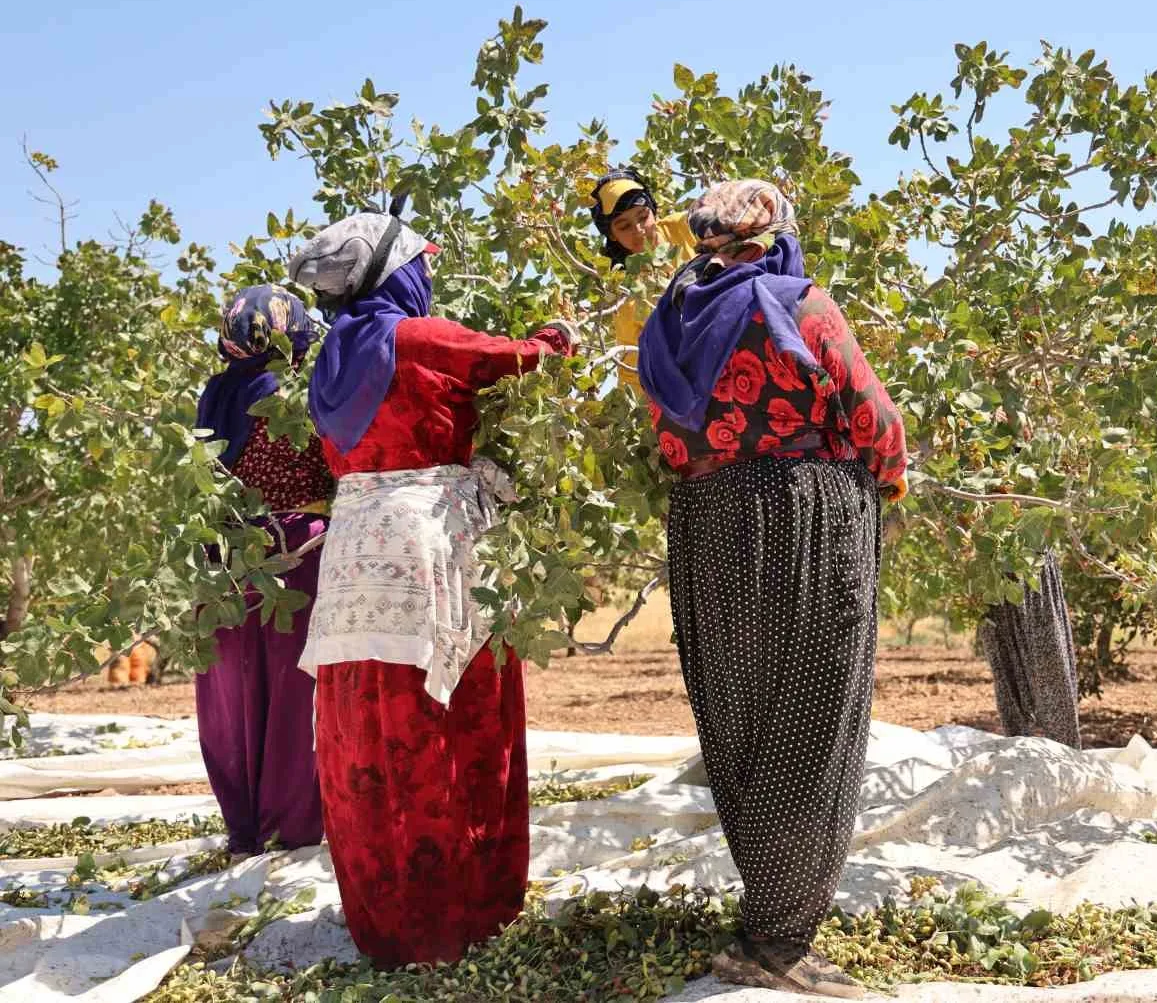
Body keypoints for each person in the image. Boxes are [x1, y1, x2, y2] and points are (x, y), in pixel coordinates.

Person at [637, 180, 907, 998]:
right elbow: (871, 416)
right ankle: (780, 940)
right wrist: (886, 487)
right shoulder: (797, 303)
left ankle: (769, 902)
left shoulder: (671, 320)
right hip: (804, 519)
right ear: (778, 232)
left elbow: (664, 433)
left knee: (740, 714)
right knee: (814, 717)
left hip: (706, 523)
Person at [288, 208, 577, 968]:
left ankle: (388, 917)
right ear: (395, 274)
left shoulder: (330, 360)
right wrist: (555, 334)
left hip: (354, 555)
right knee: (449, 712)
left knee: (370, 719)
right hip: (427, 547)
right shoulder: (415, 338)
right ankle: (460, 910)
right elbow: (526, 359)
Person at [193, 285, 331, 858]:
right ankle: (293, 825)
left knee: (234, 697)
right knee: (296, 695)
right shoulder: (297, 393)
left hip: (225, 561)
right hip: (295, 555)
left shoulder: (216, 394)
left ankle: (246, 827)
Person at [589, 167, 697, 394]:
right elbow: (631, 371)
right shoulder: (623, 289)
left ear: (654, 211)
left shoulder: (687, 226)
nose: (639, 231)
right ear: (612, 235)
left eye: (643, 217)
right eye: (624, 226)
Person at [977, 550, 1083, 748]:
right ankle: (1018, 749)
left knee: (1051, 666)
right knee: (1005, 670)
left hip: (1033, 565)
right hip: (992, 571)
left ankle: (1066, 751)